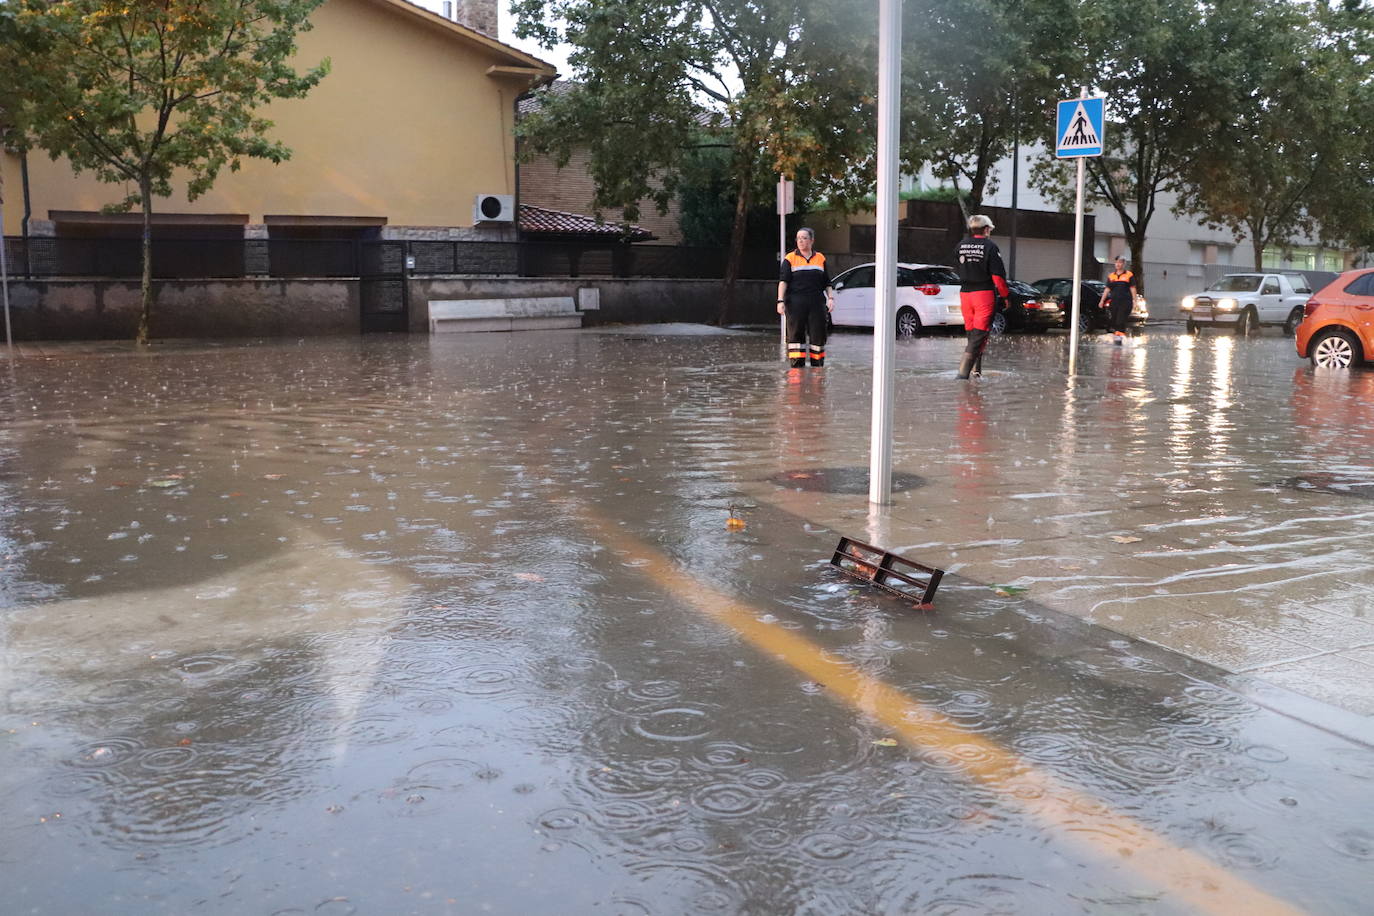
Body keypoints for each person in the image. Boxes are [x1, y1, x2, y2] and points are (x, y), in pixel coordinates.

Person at [954, 214, 1009, 379]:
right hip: (983, 295)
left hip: (965, 295)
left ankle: (976, 374)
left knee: (972, 334)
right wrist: (1006, 296)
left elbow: (958, 266)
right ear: (986, 229)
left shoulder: (960, 245)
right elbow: (998, 277)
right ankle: (962, 377)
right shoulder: (990, 247)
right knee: (979, 336)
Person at [777, 228, 835, 368]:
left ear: (812, 240)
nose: (801, 241)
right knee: (796, 336)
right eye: (798, 238)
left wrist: (831, 298)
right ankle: (797, 371)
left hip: (816, 303)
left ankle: (818, 369)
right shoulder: (790, 258)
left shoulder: (820, 258)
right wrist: (780, 300)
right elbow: (783, 281)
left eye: (804, 238)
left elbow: (827, 282)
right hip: (795, 303)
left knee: (818, 335)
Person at [1098, 256, 1138, 345]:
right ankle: (1118, 337)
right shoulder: (1111, 276)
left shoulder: (1129, 275)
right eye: (1116, 262)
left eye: (1120, 262)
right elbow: (1107, 289)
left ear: (1124, 264)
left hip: (1125, 302)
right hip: (1114, 302)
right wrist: (1102, 301)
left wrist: (1135, 301)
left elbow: (1133, 289)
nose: (1118, 264)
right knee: (1114, 320)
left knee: (1121, 320)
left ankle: (1120, 340)